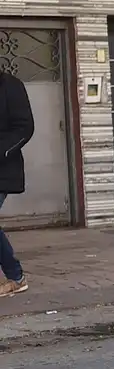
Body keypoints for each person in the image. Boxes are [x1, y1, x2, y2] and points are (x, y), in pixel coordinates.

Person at [0, 67, 34, 296]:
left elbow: (25, 127)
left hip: (2, 169)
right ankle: (15, 276)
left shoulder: (9, 86)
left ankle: (16, 276)